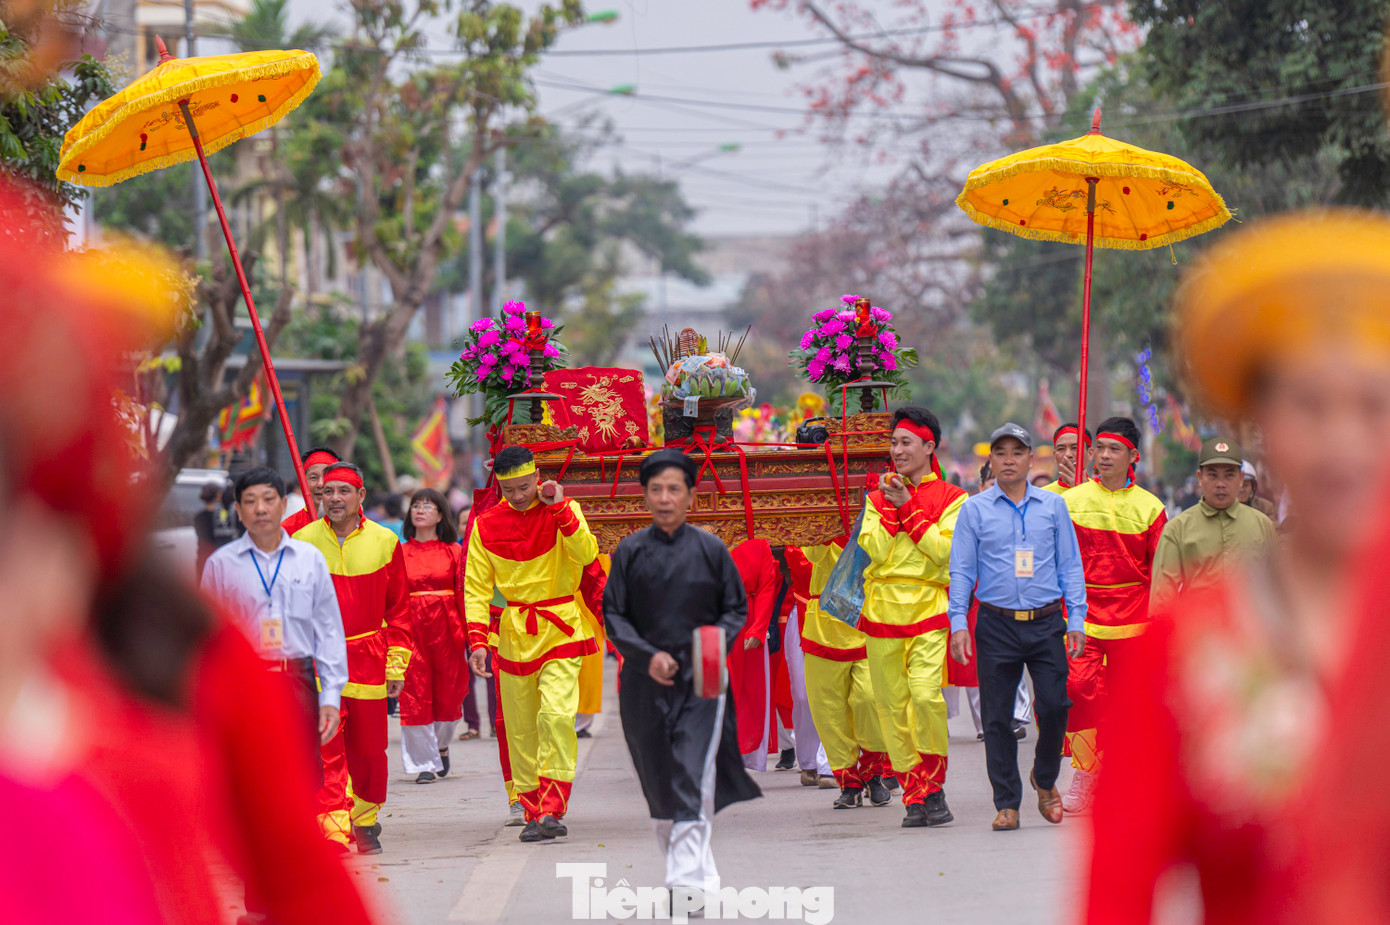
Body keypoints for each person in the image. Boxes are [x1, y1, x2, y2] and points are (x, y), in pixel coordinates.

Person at [1085, 209, 1390, 923]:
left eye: (1373, 407)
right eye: (1309, 406)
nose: (1343, 444)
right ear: (1263, 427)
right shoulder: (1181, 652)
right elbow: (1117, 894)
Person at [603, 449, 761, 900]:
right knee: (658, 784)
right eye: (656, 489)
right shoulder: (629, 552)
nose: (665, 498)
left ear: (691, 495)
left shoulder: (711, 551)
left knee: (691, 774)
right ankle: (695, 871)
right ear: (645, 496)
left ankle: (685, 883)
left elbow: (735, 609)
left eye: (674, 489)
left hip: (701, 683)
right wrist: (646, 655)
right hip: (643, 683)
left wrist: (709, 644)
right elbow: (614, 615)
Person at [947, 424, 1087, 831]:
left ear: (1030, 458)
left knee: (1055, 706)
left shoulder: (1053, 506)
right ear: (990, 460)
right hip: (996, 624)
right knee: (997, 718)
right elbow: (962, 570)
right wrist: (958, 622)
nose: (1009, 460)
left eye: (1017, 452)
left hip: (1046, 623)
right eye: (1001, 452)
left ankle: (1044, 777)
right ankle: (1007, 803)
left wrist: (1077, 619)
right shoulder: (974, 510)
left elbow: (1070, 565)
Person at [464, 446, 600, 843]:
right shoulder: (486, 524)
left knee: (556, 716)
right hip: (514, 634)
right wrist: (478, 640)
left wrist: (559, 509)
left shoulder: (563, 509)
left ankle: (552, 806)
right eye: (509, 489)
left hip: (560, 627)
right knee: (521, 729)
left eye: (524, 487)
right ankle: (532, 810)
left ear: (538, 478)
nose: (518, 495)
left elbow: (587, 554)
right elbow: (476, 587)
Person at [294, 462, 413, 854]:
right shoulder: (302, 541)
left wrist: (396, 664)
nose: (334, 499)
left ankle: (364, 818)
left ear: (360, 495)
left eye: (343, 491)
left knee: (369, 749)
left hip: (369, 656)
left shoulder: (385, 541)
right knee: (326, 745)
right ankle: (333, 824)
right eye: (328, 491)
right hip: (318, 661)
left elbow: (399, 609)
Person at [858, 405, 967, 827]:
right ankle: (914, 794)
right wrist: (891, 505)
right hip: (881, 610)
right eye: (893, 443)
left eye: (906, 443)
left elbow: (945, 553)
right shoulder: (875, 499)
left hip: (928, 607)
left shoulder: (954, 498)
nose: (897, 450)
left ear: (929, 446)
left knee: (924, 697)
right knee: (890, 705)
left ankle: (934, 785)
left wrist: (908, 507)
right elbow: (875, 551)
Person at [1061, 416, 1167, 814]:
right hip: (1082, 618)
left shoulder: (1151, 508)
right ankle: (1086, 772)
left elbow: (1160, 571)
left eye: (1114, 450)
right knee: (1079, 691)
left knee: (1127, 703)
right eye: (1100, 448)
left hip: (1134, 620)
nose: (1104, 456)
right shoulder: (1070, 502)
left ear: (1133, 456)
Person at [789, 535, 893, 809]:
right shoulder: (817, 523)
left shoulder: (872, 521)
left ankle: (874, 774)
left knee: (870, 700)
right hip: (823, 628)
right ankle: (849, 783)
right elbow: (811, 555)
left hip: (866, 622)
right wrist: (825, 527)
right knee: (829, 711)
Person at [1150, 438, 1277, 610]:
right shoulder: (1177, 529)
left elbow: (1279, 589)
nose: (1221, 484)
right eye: (1212, 475)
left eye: (1229, 475)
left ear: (1240, 479)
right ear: (1200, 478)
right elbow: (1162, 598)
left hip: (1252, 626)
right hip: (1198, 626)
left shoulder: (1262, 525)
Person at [399, 488, 468, 784]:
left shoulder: (454, 551)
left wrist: (472, 634)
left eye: (427, 506)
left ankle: (441, 745)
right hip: (411, 628)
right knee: (414, 692)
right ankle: (424, 762)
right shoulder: (399, 552)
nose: (420, 509)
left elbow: (464, 593)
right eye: (416, 505)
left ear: (441, 515)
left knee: (450, 692)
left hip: (448, 629)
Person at [728, 538, 780, 771]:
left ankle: (740, 755)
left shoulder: (758, 544)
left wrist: (758, 628)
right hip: (709, 621)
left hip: (746, 622)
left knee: (749, 691)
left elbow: (766, 587)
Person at [282, 447, 341, 536]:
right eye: (313, 478)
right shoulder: (287, 529)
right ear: (303, 481)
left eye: (327, 476)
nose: (320, 484)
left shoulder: (353, 526)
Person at [194, 480, 238, 580]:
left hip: (202, 558)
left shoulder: (199, 517)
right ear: (218, 495)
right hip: (218, 558)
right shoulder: (221, 517)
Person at [1042, 423, 1092, 494]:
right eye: (1061, 449)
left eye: (1075, 448)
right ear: (1054, 456)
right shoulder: (1043, 495)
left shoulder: (1102, 492)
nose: (1068, 454)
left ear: (1090, 453)